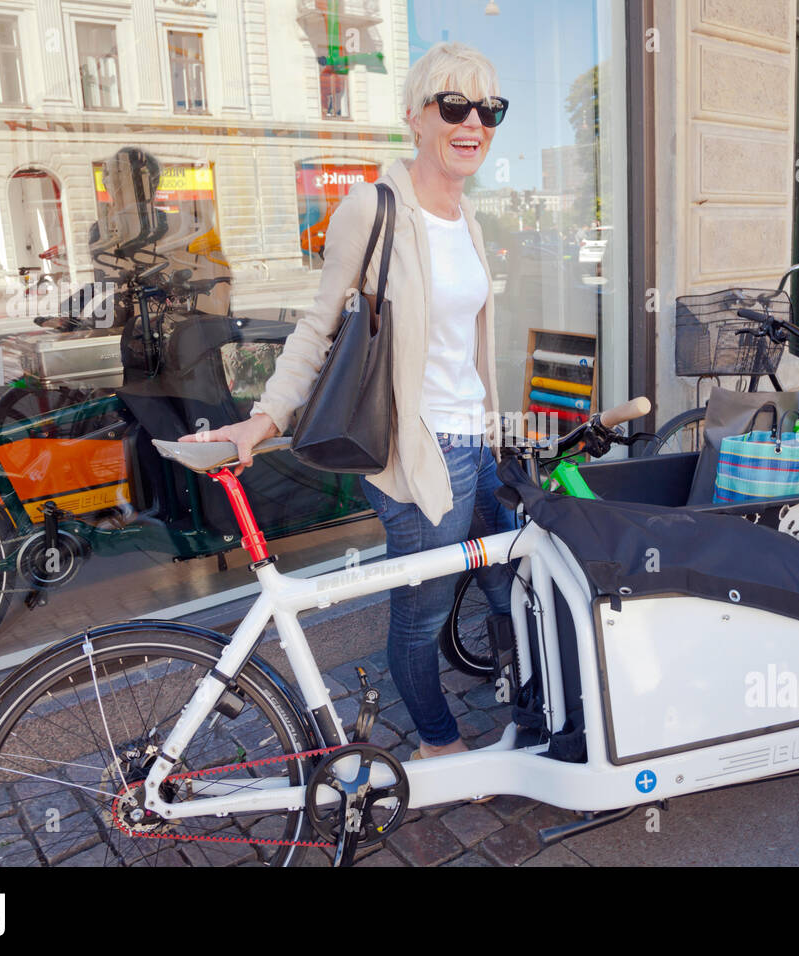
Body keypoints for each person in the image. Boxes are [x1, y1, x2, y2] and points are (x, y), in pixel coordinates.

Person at [181, 42, 513, 758]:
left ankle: (528, 703)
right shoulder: (374, 208)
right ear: (415, 119)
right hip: (416, 452)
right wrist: (265, 419)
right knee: (422, 615)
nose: (472, 123)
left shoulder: (471, 219)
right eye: (453, 106)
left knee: (509, 579)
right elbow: (318, 324)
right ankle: (436, 744)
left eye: (488, 110)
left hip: (475, 443)